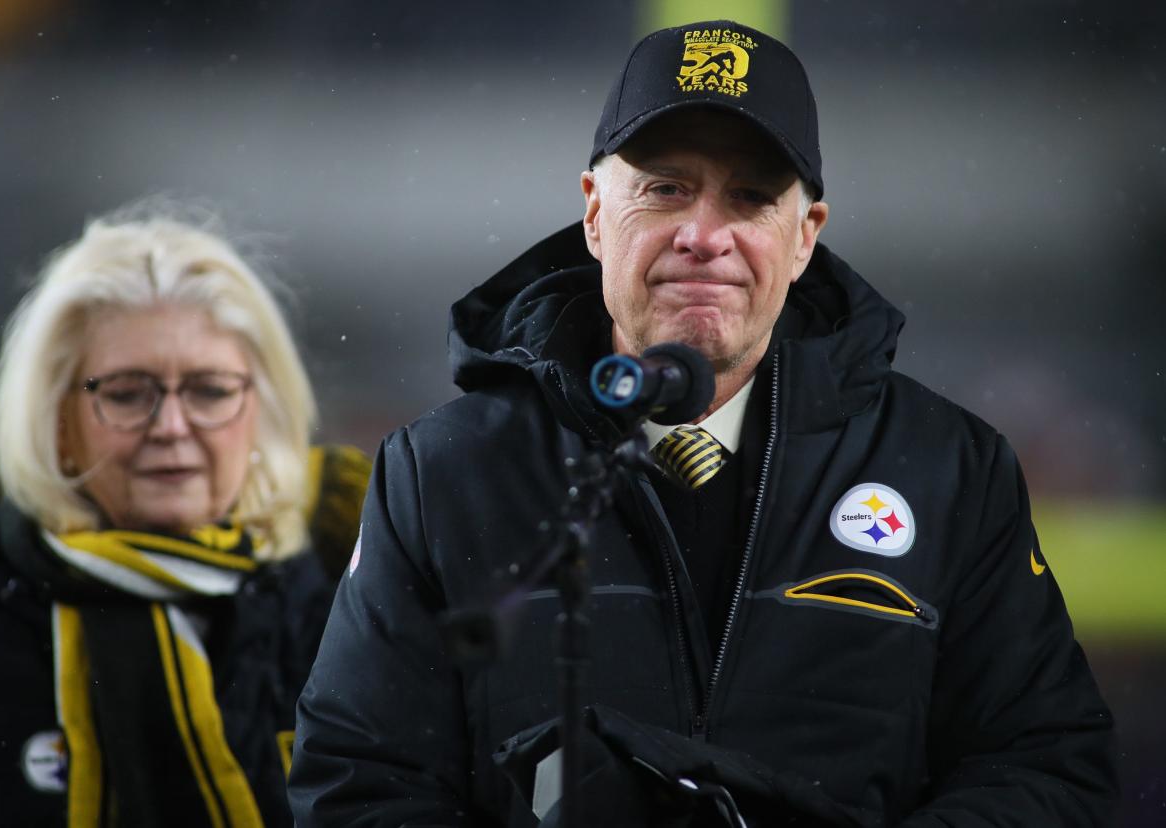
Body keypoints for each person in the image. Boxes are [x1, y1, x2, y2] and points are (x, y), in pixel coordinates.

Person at [289, 20, 1118, 827]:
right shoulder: (441, 475)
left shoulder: (949, 473)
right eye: (665, 188)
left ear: (804, 239)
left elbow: (1044, 767)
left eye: (751, 197)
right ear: (593, 212)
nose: (703, 236)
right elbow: (359, 782)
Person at [0, 204, 369, 826]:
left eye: (210, 390)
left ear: (262, 410)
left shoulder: (356, 590)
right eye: (128, 393)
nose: (171, 427)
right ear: (56, 419)